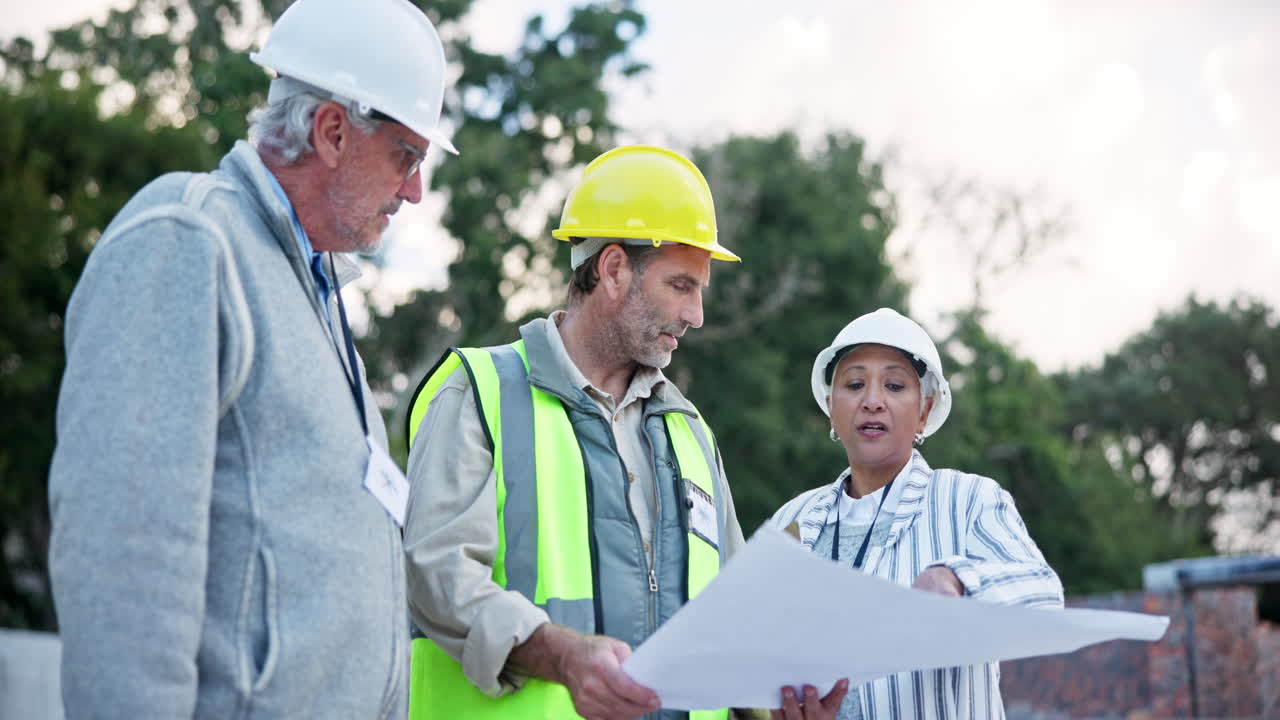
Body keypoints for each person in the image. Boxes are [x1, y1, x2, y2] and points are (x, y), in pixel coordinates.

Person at [45, 0, 455, 717]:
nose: (416, 190)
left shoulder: (315, 289)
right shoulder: (188, 239)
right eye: (407, 156)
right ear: (332, 131)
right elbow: (124, 565)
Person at [402, 145, 758, 720]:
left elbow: (737, 615)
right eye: (681, 286)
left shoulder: (691, 433)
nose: (696, 314)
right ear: (614, 270)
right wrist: (562, 656)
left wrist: (782, 695)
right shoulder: (479, 392)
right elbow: (436, 576)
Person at [768, 308, 1064, 720]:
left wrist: (958, 580)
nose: (873, 401)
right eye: (854, 384)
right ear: (831, 408)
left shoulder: (967, 500)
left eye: (894, 385)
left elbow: (1044, 595)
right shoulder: (791, 521)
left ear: (924, 410)